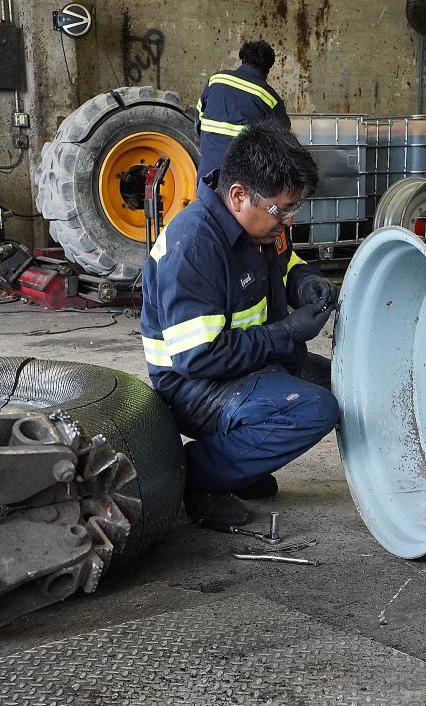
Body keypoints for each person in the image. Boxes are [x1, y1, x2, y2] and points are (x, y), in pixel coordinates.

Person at [140, 120, 338, 527]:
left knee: (342, 381)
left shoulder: (263, 228)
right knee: (315, 409)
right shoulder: (195, 244)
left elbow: (284, 262)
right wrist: (286, 333)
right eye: (281, 210)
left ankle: (236, 465)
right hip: (194, 384)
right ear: (237, 196)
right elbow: (198, 357)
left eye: (292, 209)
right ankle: (195, 476)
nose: (287, 221)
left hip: (241, 363)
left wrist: (304, 281)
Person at [196, 39, 291, 179]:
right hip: (242, 181)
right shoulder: (269, 98)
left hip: (207, 175)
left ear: (243, 60)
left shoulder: (216, 80)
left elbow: (198, 120)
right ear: (267, 70)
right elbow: (283, 138)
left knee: (206, 201)